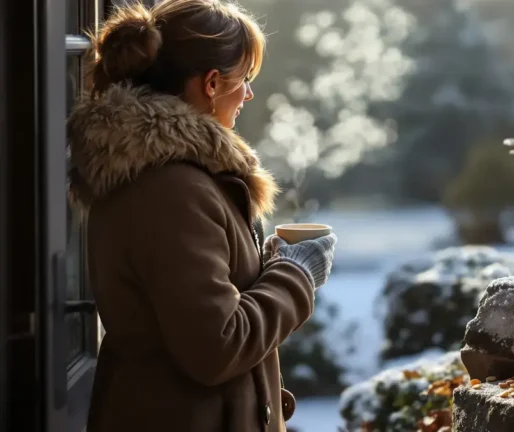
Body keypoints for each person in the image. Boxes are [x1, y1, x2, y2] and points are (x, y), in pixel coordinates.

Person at [66, 1, 336, 431]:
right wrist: (295, 274)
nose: (248, 94)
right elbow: (218, 346)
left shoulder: (172, 178)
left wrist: (262, 264)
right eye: (245, 79)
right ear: (212, 83)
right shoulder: (170, 190)